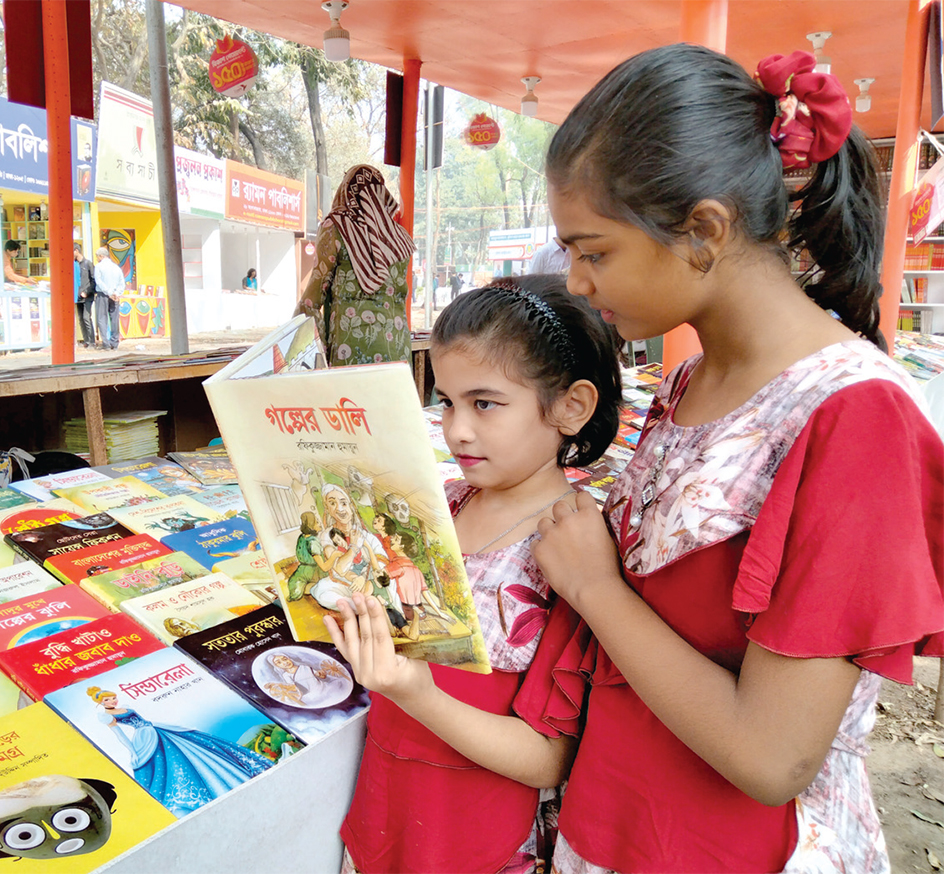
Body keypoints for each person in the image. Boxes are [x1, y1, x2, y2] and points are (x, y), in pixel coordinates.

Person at [526, 45, 944, 874]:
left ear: (705, 230)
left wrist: (596, 586)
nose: (575, 280)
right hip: (618, 820)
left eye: (595, 250)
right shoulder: (686, 379)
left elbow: (770, 756)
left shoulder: (852, 416)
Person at [325, 275, 624, 873]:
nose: (457, 429)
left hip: (476, 835)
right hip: (389, 800)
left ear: (571, 407)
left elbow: (547, 758)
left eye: (484, 403)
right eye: (447, 402)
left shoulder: (569, 549)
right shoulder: (441, 507)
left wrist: (413, 689)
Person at [296, 165, 416, 366]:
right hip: (399, 353)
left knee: (349, 400)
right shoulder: (399, 237)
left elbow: (312, 301)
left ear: (346, 191)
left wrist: (303, 350)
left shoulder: (335, 227)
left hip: (350, 354)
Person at [87, 686, 271, 816]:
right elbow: (119, 734)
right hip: (144, 738)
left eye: (112, 698)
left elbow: (143, 720)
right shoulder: (107, 715)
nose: (111, 701)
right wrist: (133, 751)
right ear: (100, 703)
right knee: (168, 764)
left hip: (156, 729)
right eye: (106, 700)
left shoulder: (126, 707)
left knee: (193, 747)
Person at [93, 246, 124, 351]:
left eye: (97, 256)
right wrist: (116, 293)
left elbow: (99, 281)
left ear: (101, 256)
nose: (97, 258)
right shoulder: (116, 267)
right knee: (114, 319)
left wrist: (109, 292)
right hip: (115, 295)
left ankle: (106, 343)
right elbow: (121, 283)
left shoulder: (98, 267)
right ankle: (114, 342)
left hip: (103, 294)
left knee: (102, 318)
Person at [73, 244, 96, 348]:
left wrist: (87, 292)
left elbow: (94, 280)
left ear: (77, 251)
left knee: (87, 317)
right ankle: (86, 340)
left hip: (87, 296)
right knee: (81, 319)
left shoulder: (88, 264)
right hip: (77, 296)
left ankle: (92, 341)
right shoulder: (74, 264)